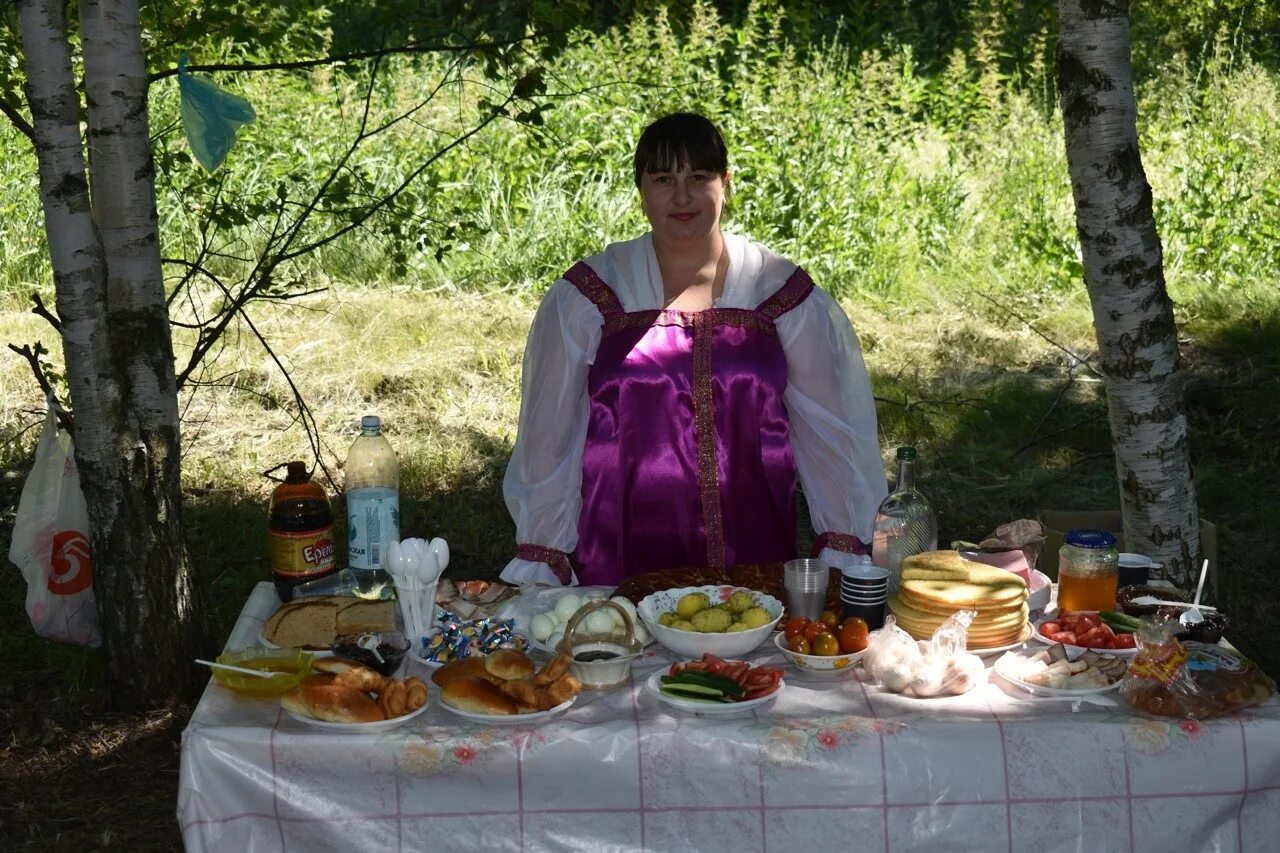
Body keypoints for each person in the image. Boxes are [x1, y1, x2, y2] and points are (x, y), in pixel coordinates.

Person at [501, 112, 887, 587]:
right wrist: (542, 549)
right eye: (664, 179)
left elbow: (835, 435)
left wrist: (845, 542)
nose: (682, 197)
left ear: (725, 182)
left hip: (754, 560)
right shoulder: (590, 295)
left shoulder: (776, 290)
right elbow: (547, 439)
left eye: (699, 177)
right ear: (641, 189)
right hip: (618, 557)